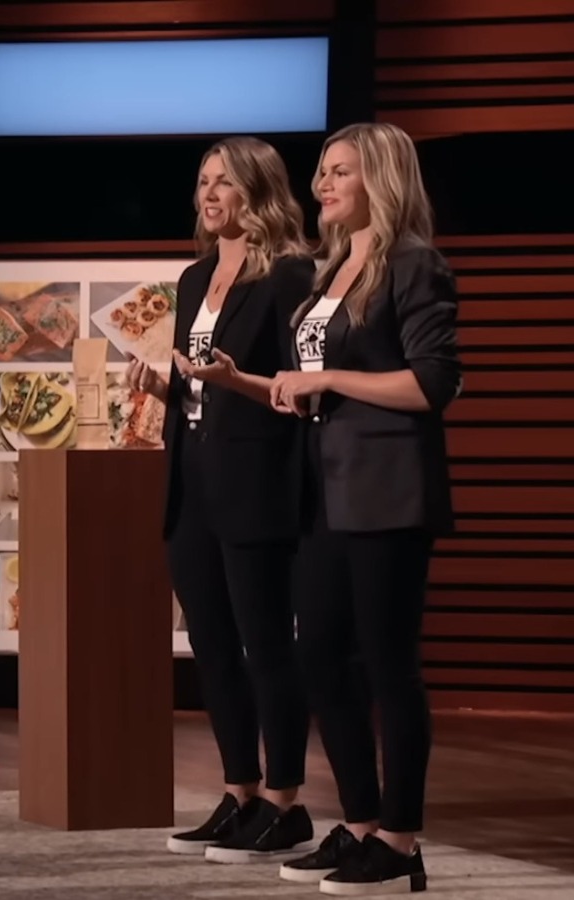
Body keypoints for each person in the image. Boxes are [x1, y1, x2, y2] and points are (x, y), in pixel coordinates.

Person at [269, 121, 460, 895]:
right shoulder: (331, 269)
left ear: (380, 179)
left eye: (340, 171)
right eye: (322, 171)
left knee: (388, 666)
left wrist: (327, 380)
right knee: (318, 656)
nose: (322, 184)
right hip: (324, 489)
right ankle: (359, 823)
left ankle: (402, 840)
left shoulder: (415, 263)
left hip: (388, 492)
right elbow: (315, 378)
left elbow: (431, 383)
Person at [128, 136, 317, 864]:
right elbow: (200, 385)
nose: (210, 195)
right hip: (193, 478)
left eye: (225, 182)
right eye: (204, 182)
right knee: (210, 645)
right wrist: (163, 385)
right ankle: (240, 793)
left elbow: (296, 391)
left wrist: (232, 382)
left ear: (258, 192)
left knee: (266, 644)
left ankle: (285, 802)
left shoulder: (290, 274)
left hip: (258, 479)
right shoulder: (192, 277)